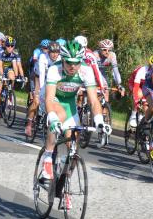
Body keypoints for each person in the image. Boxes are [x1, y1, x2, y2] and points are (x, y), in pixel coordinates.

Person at [38, 40, 111, 205]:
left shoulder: (86, 71)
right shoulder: (54, 70)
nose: (72, 67)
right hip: (51, 99)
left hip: (69, 101)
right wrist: (52, 117)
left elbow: (93, 100)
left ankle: (65, 186)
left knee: (74, 146)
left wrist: (99, 121)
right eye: (69, 63)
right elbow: (49, 98)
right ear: (62, 60)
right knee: (59, 117)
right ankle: (48, 160)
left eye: (76, 63)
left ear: (81, 62)